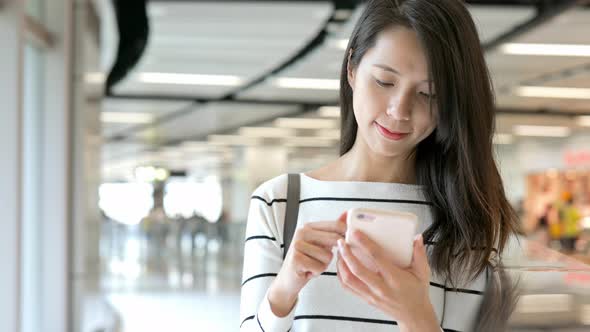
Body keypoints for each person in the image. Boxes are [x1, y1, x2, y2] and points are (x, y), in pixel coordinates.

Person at [240, 1, 520, 331]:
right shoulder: (279, 203)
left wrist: (416, 316)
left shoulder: (462, 222)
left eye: (428, 94)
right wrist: (283, 291)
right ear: (352, 69)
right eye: (385, 82)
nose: (400, 110)